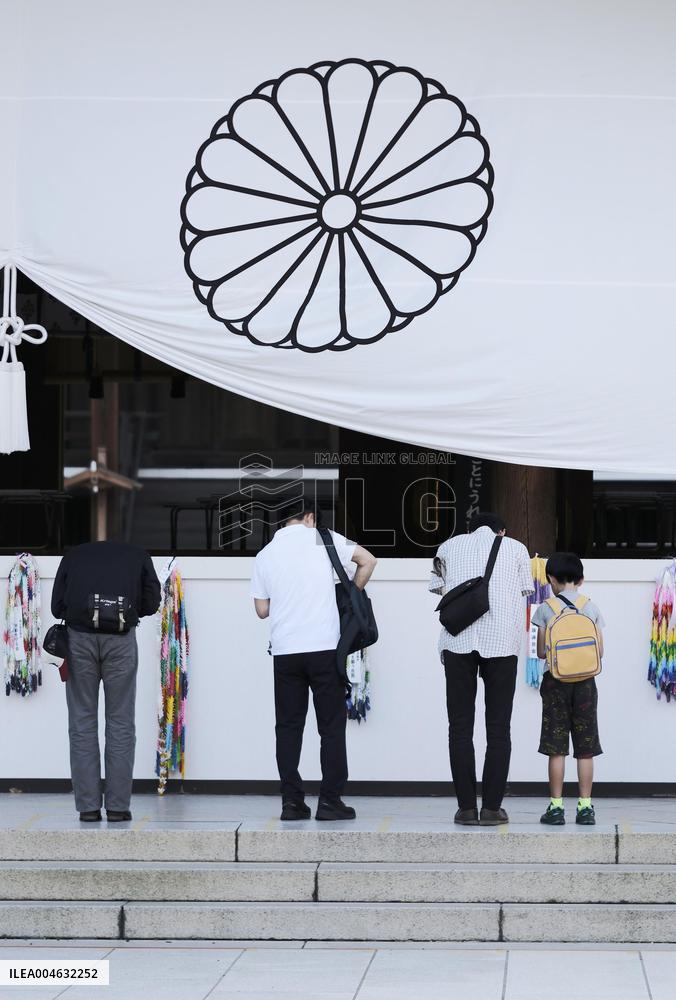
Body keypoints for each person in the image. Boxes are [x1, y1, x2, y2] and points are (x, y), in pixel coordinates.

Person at [250, 498, 377, 822]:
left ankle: (292, 803)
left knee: (288, 728)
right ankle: (330, 801)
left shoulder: (266, 554)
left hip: (285, 653)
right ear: (309, 517)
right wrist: (350, 594)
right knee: (330, 728)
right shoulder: (323, 538)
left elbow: (262, 610)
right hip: (324, 650)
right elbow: (368, 561)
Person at [429, 512, 533, 826]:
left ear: (468, 529)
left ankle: (465, 808)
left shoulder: (448, 547)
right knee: (499, 728)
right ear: (502, 531)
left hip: (457, 642)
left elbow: (439, 590)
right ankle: (491, 809)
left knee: (459, 726)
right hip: (502, 643)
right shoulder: (516, 548)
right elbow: (525, 591)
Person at [51, 540, 161, 823]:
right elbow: (152, 602)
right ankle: (117, 808)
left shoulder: (74, 555)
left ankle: (88, 808)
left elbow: (56, 606)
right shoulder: (139, 554)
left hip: (79, 641)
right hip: (121, 641)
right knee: (121, 722)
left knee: (81, 722)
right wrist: (127, 612)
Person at [532, 552, 604, 826]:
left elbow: (541, 652)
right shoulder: (591, 607)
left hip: (555, 683)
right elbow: (600, 651)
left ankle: (556, 807)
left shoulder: (545, 609)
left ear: (551, 579)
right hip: (586, 683)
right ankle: (585, 808)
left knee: (556, 747)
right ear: (581, 579)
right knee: (586, 747)